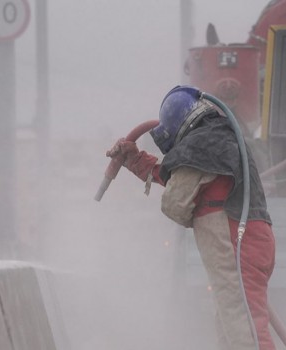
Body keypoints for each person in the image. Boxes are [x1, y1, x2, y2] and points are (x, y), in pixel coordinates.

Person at [106, 85, 276, 350]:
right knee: (231, 326)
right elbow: (181, 178)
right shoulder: (218, 140)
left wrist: (190, 217)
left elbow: (175, 202)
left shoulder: (202, 145)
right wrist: (136, 160)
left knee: (245, 332)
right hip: (251, 242)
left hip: (235, 246)